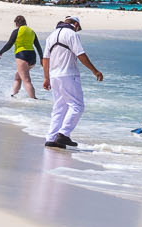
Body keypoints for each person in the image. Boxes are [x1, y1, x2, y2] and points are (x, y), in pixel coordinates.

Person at [41, 16, 103, 149]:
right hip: (69, 75)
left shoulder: (51, 36)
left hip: (54, 76)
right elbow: (81, 54)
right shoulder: (71, 34)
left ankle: (51, 138)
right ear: (76, 24)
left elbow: (45, 59)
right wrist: (95, 71)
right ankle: (63, 134)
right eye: (78, 28)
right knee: (77, 106)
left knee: (59, 108)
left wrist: (46, 77)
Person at [0, 14, 40, 99]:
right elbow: (38, 46)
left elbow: (10, 44)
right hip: (32, 57)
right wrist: (42, 58)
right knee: (18, 76)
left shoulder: (17, 31)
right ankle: (14, 95)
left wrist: (1, 51)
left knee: (26, 80)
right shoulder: (32, 31)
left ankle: (34, 99)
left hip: (22, 56)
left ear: (16, 23)